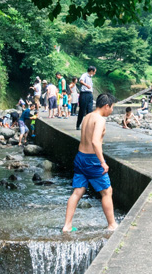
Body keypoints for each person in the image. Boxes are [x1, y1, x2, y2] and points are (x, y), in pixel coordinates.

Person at [63, 93, 117, 233]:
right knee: (106, 192)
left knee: (77, 191)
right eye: (112, 108)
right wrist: (102, 162)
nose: (111, 111)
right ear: (106, 106)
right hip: (92, 160)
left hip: (80, 157)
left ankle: (67, 226)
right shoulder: (99, 120)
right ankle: (112, 225)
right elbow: (95, 141)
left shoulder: (87, 117)